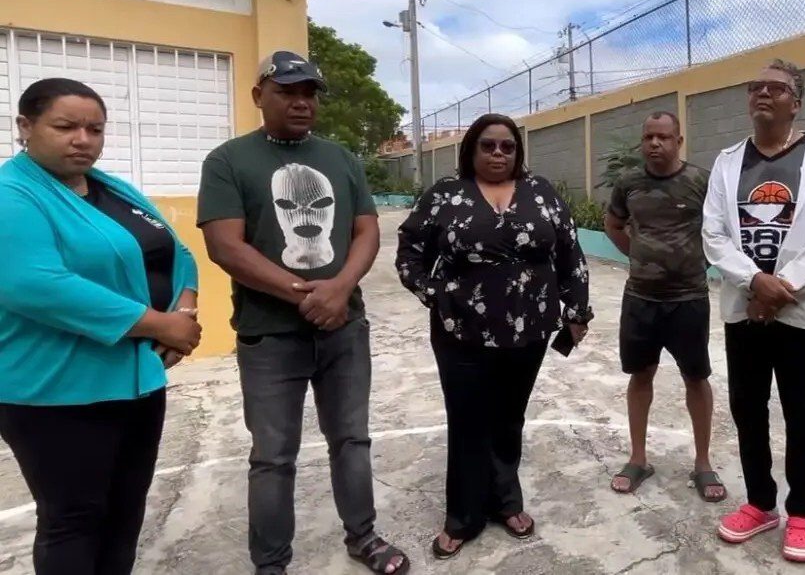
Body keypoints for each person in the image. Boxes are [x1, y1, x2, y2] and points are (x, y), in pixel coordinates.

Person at [197, 51, 407, 575]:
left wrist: (341, 288)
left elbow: (366, 230)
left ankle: (362, 537)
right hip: (270, 336)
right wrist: (308, 296)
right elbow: (225, 246)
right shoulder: (227, 161)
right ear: (258, 96)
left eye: (309, 92)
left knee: (352, 440)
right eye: (287, 91)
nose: (301, 102)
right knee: (273, 456)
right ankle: (271, 564)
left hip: (344, 330)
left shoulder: (342, 159)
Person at [0, 78, 202, 575]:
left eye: (95, 129)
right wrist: (157, 325)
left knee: (124, 514)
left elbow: (175, 250)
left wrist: (185, 311)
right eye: (65, 127)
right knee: (73, 520)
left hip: (136, 384)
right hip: (56, 391)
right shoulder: (12, 195)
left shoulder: (112, 188)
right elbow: (35, 284)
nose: (83, 140)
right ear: (25, 126)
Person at [395, 113, 592, 559]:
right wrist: (434, 295)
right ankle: (463, 516)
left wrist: (577, 310)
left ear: (518, 152)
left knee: (509, 416)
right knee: (468, 419)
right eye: (488, 145)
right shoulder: (446, 194)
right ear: (471, 150)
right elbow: (409, 250)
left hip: (530, 328)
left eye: (507, 146)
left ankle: (506, 501)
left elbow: (569, 252)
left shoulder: (540, 192)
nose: (498, 154)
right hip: (461, 330)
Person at [702, 59, 805, 563]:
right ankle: (761, 503)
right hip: (744, 308)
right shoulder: (728, 162)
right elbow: (714, 234)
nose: (763, 93)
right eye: (756, 87)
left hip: (797, 310)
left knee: (800, 412)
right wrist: (754, 282)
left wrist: (781, 287)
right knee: (748, 411)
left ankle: (801, 511)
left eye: (776, 87)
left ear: (796, 102)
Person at [604, 111, 726, 503]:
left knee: (696, 377)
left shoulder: (701, 181)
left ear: (679, 141)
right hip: (641, 298)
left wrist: (700, 261)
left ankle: (703, 463)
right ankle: (638, 459)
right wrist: (640, 256)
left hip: (688, 299)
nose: (655, 143)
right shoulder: (628, 183)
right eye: (648, 137)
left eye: (664, 137)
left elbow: (721, 229)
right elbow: (613, 224)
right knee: (640, 376)